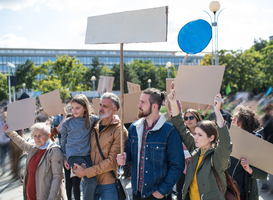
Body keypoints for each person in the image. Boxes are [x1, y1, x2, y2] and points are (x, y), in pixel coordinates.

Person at [117, 88, 185, 200]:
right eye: (139, 101)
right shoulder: (134, 127)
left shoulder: (169, 131)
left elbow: (178, 165)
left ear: (154, 106)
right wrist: (123, 158)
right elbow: (129, 153)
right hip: (137, 193)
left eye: (143, 102)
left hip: (158, 194)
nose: (139, 105)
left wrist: (161, 192)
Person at [169, 87, 232, 200]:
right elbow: (180, 126)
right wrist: (173, 102)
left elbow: (225, 143)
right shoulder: (195, 149)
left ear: (211, 137)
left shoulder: (217, 157)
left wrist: (217, 111)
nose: (195, 137)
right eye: (196, 134)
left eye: (200, 135)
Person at [73, 92, 128, 200]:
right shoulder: (91, 124)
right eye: (100, 105)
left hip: (107, 184)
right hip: (88, 182)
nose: (101, 108)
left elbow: (112, 161)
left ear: (114, 110)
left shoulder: (119, 130)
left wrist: (86, 172)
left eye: (105, 106)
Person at [3, 122, 67, 200]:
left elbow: (57, 178)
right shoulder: (35, 149)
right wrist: (10, 131)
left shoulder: (54, 151)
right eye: (35, 136)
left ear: (48, 136)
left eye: (40, 135)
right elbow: (23, 144)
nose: (37, 138)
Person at [59, 94, 99, 200]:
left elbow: (104, 118)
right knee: (91, 181)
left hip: (86, 156)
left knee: (91, 182)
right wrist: (64, 157)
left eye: (77, 108)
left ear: (85, 108)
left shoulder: (90, 120)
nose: (74, 110)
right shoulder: (67, 123)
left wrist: (116, 117)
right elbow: (62, 142)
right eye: (72, 108)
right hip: (73, 156)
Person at [228, 105, 267, 200]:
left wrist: (250, 170)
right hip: (223, 190)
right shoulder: (228, 138)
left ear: (244, 121)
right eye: (232, 117)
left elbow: (263, 174)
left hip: (241, 194)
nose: (232, 119)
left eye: (236, 118)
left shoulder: (255, 142)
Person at [260, 103, 273, 193]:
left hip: (267, 145)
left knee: (265, 167)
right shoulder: (269, 120)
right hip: (269, 145)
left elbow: (262, 131)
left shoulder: (264, 119)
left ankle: (265, 184)